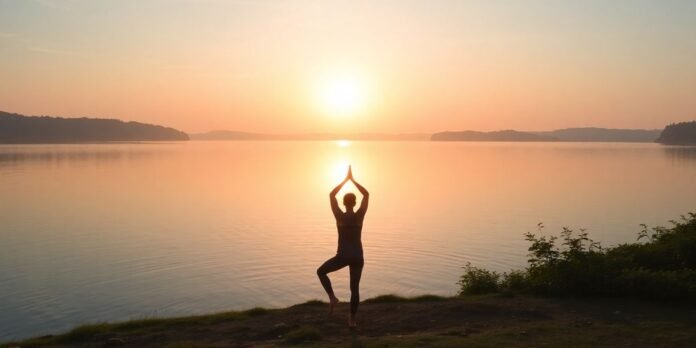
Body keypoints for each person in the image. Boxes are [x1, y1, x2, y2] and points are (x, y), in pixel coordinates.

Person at [316, 165, 369, 328]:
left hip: (343, 255)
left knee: (321, 271)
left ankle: (332, 297)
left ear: (344, 203)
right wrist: (353, 181)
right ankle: (352, 320)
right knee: (354, 289)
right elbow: (366, 194)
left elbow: (332, 194)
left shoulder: (339, 215)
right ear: (355, 203)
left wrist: (345, 180)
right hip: (358, 257)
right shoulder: (360, 215)